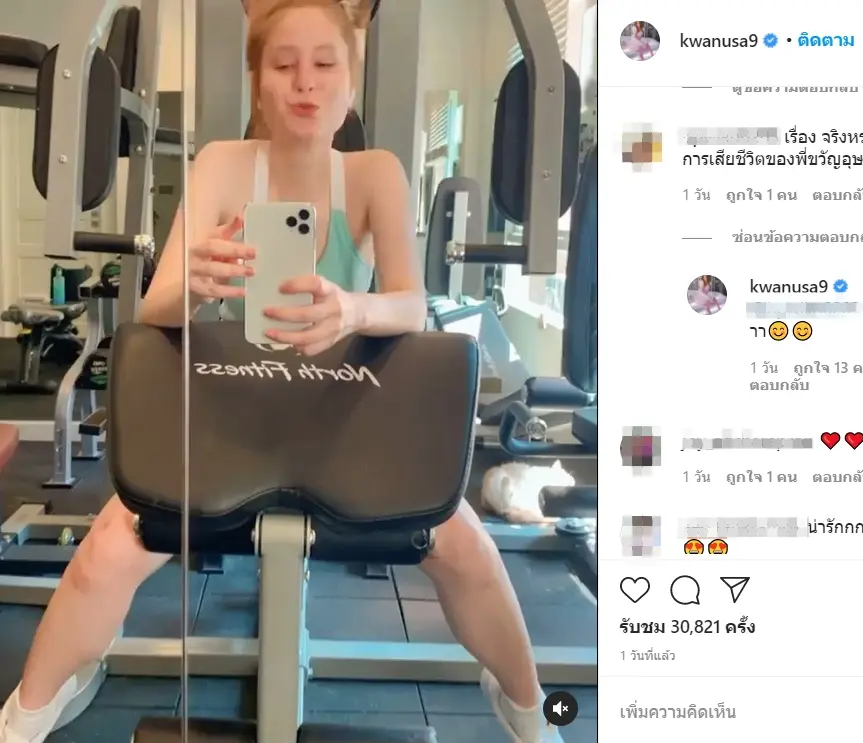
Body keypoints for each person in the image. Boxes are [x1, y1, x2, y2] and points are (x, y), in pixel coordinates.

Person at [0, 2, 564, 742]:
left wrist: (352, 310)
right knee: (108, 547)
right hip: (235, 410)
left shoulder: (374, 174)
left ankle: (531, 717)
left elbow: (411, 306)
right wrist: (194, 283)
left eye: (325, 64)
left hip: (346, 411)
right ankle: (23, 719)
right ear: (259, 85)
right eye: (284, 65)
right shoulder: (223, 165)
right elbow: (155, 311)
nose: (305, 83)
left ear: (349, 86)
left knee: (466, 546)